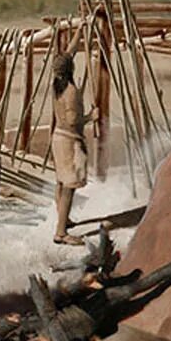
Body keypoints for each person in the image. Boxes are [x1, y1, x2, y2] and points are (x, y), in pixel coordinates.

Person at [49, 53, 97, 246]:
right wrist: (90, 117)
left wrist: (80, 28)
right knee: (69, 185)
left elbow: (69, 50)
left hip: (58, 137)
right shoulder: (70, 91)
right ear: (71, 69)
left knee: (61, 182)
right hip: (69, 141)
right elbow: (72, 120)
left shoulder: (56, 86)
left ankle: (64, 219)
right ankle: (60, 233)